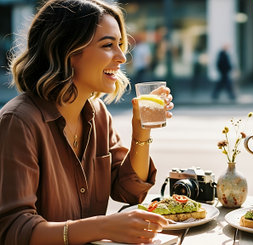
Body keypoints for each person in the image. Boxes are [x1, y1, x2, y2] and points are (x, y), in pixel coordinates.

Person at [0, 0, 175, 244]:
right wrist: (103, 227)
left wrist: (142, 131)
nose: (122, 57)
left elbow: (129, 190)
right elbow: (14, 230)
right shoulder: (19, 121)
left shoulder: (98, 113)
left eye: (121, 45)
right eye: (108, 45)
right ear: (69, 52)